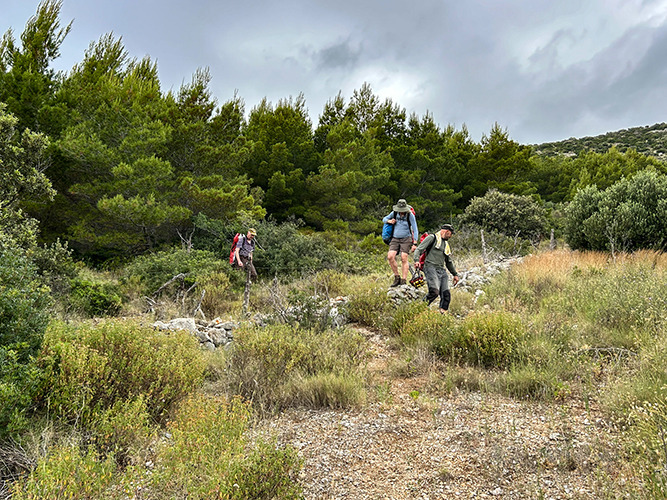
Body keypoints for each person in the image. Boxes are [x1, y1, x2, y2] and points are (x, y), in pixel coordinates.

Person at [414, 224, 460, 313]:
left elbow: (448, 261)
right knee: (434, 291)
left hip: (441, 270)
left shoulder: (446, 245)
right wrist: (416, 260)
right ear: (446, 231)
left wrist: (455, 274)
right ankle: (419, 309)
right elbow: (418, 249)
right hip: (430, 267)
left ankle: (442, 315)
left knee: (446, 295)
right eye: (450, 234)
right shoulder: (432, 238)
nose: (450, 236)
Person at [383, 199, 419, 287]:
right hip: (395, 238)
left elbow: (415, 229)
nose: (401, 212)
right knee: (390, 256)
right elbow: (384, 219)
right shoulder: (394, 213)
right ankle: (397, 277)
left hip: (406, 238)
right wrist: (389, 221)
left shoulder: (410, 215)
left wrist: (415, 243)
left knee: (404, 258)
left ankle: (403, 280)